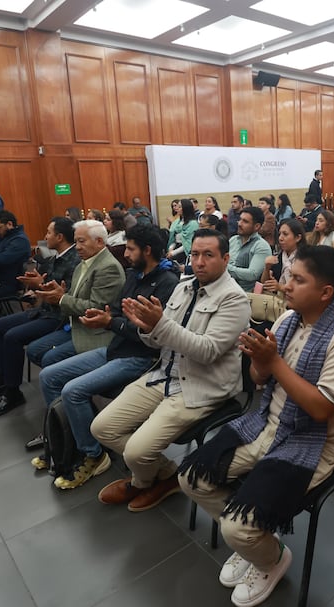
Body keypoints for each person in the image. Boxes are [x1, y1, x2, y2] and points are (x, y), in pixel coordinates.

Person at [178, 244, 334, 607]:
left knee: (236, 527)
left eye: (298, 279)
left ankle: (269, 557)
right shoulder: (287, 320)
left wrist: (274, 362)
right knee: (191, 478)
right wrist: (261, 364)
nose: (286, 285)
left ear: (325, 292)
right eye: (289, 276)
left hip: (312, 443)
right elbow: (259, 381)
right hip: (266, 423)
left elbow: (319, 410)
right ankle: (255, 542)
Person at [90, 229, 251, 512]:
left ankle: (142, 482)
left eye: (208, 255)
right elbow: (157, 341)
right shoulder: (183, 285)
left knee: (137, 451)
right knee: (102, 428)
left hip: (200, 385)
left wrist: (159, 325)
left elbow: (207, 351)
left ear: (226, 259)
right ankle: (164, 474)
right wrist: (146, 327)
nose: (199, 262)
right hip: (163, 373)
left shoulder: (234, 299)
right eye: (195, 254)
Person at [35, 224, 181, 489]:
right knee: (48, 376)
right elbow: (114, 311)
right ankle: (66, 440)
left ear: (147, 251)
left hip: (141, 358)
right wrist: (107, 319)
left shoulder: (168, 284)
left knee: (72, 391)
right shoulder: (134, 275)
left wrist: (111, 322)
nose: (125, 253)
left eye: (131, 248)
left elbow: (151, 336)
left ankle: (93, 454)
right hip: (115, 348)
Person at [0, 217, 80, 418]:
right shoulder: (58, 256)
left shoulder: (74, 260)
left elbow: (68, 296)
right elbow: (50, 286)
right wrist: (37, 286)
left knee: (12, 337)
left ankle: (13, 392)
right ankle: (0, 381)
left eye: (48, 232)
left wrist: (42, 290)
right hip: (44, 310)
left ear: (60, 236)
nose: (45, 237)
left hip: (58, 317)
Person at [24, 219, 125, 370]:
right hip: (74, 324)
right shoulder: (83, 264)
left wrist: (62, 298)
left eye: (81, 241)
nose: (77, 247)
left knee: (50, 360)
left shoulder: (108, 268)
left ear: (99, 242)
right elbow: (74, 298)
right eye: (76, 241)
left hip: (94, 332)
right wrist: (59, 293)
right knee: (34, 351)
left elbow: (96, 308)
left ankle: (72, 384)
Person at [227, 206, 272, 292]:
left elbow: (252, 274)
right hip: (226, 288)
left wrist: (224, 267)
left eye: (245, 221)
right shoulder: (233, 240)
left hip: (245, 294)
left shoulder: (261, 246)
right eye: (240, 220)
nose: (239, 224)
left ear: (257, 226)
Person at [262, 219, 306, 294]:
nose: (280, 238)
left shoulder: (305, 258)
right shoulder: (279, 256)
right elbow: (264, 283)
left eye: (285, 234)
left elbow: (305, 288)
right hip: (277, 301)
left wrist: (280, 287)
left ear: (298, 238)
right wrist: (267, 268)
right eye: (280, 234)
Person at [167, 198, 199, 263]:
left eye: (180, 207)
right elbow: (173, 238)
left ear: (186, 208)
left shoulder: (192, 224)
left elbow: (188, 243)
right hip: (176, 247)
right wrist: (170, 249)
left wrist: (173, 253)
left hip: (185, 251)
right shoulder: (177, 222)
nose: (177, 208)